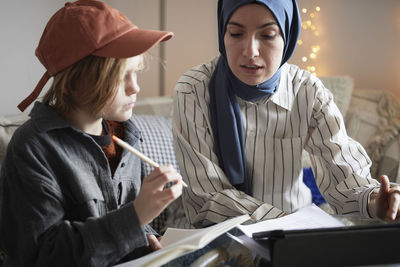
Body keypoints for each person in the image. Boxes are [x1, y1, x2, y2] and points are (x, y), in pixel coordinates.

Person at [172, 0, 400, 228]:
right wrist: (284, 222)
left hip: (295, 237)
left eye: (268, 35)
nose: (250, 51)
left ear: (287, 36)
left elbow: (342, 174)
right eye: (235, 33)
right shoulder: (193, 91)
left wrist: (374, 200)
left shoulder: (307, 91)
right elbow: (209, 194)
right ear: (223, 33)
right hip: (220, 237)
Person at [0, 1, 184, 266]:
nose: (135, 88)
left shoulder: (129, 136)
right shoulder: (32, 148)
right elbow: (41, 256)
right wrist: (135, 217)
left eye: (136, 73)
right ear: (77, 82)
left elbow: (133, 228)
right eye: (122, 77)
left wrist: (147, 240)